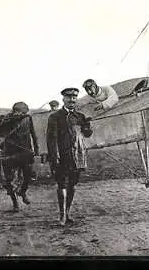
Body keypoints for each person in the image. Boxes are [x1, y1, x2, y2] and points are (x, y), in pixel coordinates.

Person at [47, 88, 93, 226]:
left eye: (74, 98)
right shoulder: (55, 117)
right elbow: (51, 139)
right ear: (63, 99)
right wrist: (54, 156)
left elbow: (87, 134)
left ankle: (68, 213)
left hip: (77, 156)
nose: (72, 100)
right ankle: (61, 216)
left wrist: (88, 126)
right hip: (62, 156)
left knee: (72, 184)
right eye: (69, 97)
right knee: (61, 184)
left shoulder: (80, 116)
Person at [0, 102, 39, 211]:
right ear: (13, 111)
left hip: (26, 151)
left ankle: (23, 192)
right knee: (10, 179)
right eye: (16, 111)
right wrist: (4, 122)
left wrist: (36, 148)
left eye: (22, 111)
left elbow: (33, 134)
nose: (19, 113)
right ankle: (15, 203)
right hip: (10, 152)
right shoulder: (7, 119)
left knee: (28, 175)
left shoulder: (28, 118)